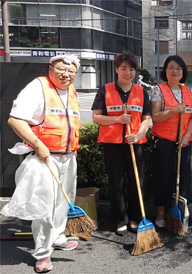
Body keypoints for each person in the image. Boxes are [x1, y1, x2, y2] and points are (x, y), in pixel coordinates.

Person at [3, 54, 81, 273]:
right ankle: (43, 253)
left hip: (68, 156)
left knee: (63, 202)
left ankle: (57, 237)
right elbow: (15, 119)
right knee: (44, 206)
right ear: (50, 68)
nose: (66, 75)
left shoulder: (72, 91)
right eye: (61, 70)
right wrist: (38, 144)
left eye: (71, 71)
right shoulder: (38, 87)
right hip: (44, 158)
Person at [91, 51, 152, 236]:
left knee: (137, 182)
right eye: (124, 68)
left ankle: (135, 218)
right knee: (116, 182)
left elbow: (147, 118)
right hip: (112, 143)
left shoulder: (142, 92)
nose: (128, 73)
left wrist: (138, 134)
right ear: (117, 69)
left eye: (132, 69)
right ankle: (119, 219)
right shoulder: (105, 90)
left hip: (136, 142)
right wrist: (117, 119)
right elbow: (96, 117)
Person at [150, 55, 192, 228]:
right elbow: (155, 117)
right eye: (171, 67)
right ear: (165, 71)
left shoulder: (188, 91)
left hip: (183, 142)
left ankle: (178, 211)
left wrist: (186, 137)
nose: (175, 71)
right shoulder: (158, 90)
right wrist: (176, 110)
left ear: (183, 71)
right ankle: (161, 211)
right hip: (163, 142)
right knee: (163, 177)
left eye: (178, 68)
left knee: (182, 178)